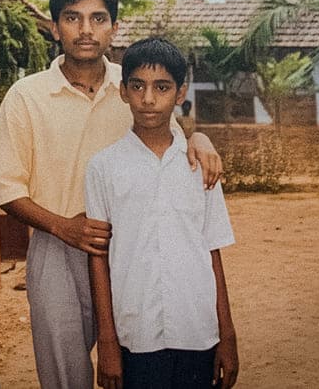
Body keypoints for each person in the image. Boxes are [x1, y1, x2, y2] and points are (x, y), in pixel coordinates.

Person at [0, 0, 223, 388]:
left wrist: (200, 136)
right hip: (59, 245)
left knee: (136, 363)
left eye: (98, 19)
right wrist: (65, 227)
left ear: (114, 27)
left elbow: (172, 139)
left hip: (136, 246)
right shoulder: (26, 96)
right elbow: (7, 190)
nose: (85, 30)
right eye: (72, 18)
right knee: (67, 375)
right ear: (54, 25)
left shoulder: (132, 84)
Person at [86, 38, 238, 389]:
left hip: (198, 332)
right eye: (138, 86)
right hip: (134, 335)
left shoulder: (201, 166)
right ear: (123, 91)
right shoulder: (103, 167)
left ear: (180, 92)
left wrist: (226, 334)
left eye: (162, 87)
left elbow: (212, 252)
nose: (149, 99)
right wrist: (107, 342)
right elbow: (98, 257)